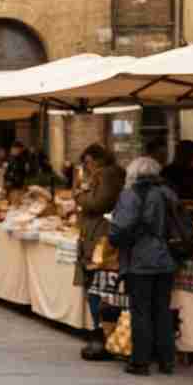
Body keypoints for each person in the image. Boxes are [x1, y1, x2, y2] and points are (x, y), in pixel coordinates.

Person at [109, 157, 179, 376]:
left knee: (141, 311)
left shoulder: (130, 195)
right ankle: (166, 360)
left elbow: (120, 228)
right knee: (162, 310)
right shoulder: (167, 193)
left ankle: (140, 361)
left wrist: (114, 239)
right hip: (166, 258)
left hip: (140, 259)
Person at [73, 144, 126, 361]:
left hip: (100, 238)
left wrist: (79, 196)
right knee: (97, 285)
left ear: (95, 159)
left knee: (98, 284)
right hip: (95, 236)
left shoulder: (107, 174)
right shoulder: (103, 174)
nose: (86, 166)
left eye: (87, 161)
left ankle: (103, 334)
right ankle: (102, 332)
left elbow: (99, 202)